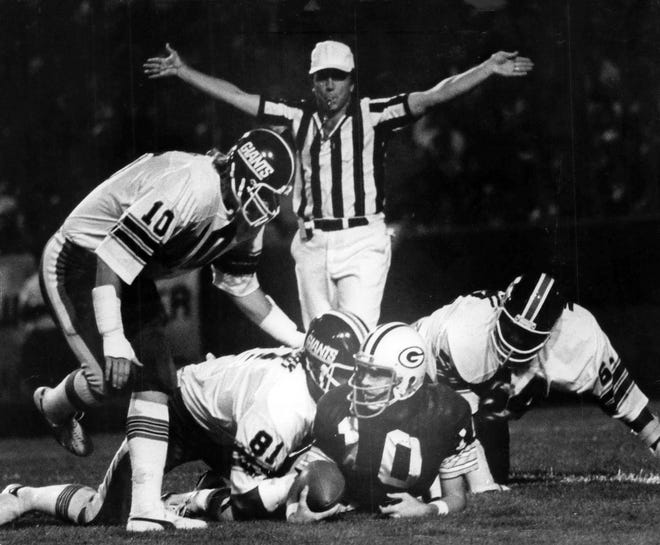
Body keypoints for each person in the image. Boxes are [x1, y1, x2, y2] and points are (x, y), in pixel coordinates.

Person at [143, 41, 534, 329]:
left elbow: (434, 96)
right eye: (322, 78)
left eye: (338, 77)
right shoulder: (297, 116)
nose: (330, 86)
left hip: (362, 239)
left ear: (351, 81)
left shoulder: (374, 114)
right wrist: (183, 70)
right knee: (319, 344)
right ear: (312, 82)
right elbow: (239, 97)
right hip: (312, 244)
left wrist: (485, 68)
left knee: (356, 339)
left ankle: (361, 436)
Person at [33, 128, 302, 531]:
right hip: (81, 257)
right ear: (242, 175)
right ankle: (60, 411)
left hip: (127, 270)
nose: (266, 208)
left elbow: (241, 287)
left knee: (149, 372)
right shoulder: (192, 186)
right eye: (263, 193)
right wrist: (113, 338)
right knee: (123, 373)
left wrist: (301, 339)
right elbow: (112, 255)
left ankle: (139, 503)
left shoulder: (246, 219)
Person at [0, 310, 369, 528]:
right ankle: (25, 496)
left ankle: (191, 496)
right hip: (181, 414)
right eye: (347, 373)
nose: (355, 384)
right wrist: (291, 489)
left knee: (292, 491)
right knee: (105, 513)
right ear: (322, 367)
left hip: (229, 425)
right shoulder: (285, 404)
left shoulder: (303, 385)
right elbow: (245, 499)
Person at [413, 272, 660, 489]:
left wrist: (656, 439)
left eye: (526, 338)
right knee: (428, 476)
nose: (514, 344)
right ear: (501, 309)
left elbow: (626, 402)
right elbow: (456, 413)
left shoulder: (580, 338)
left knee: (493, 473)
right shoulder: (463, 331)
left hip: (485, 399)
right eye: (511, 330)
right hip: (418, 370)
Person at [286, 322, 477, 522]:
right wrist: (294, 514)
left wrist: (427, 509)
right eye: (362, 370)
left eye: (376, 374)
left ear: (408, 382)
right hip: (350, 499)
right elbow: (308, 476)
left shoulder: (444, 411)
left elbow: (456, 497)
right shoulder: (338, 404)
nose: (364, 381)